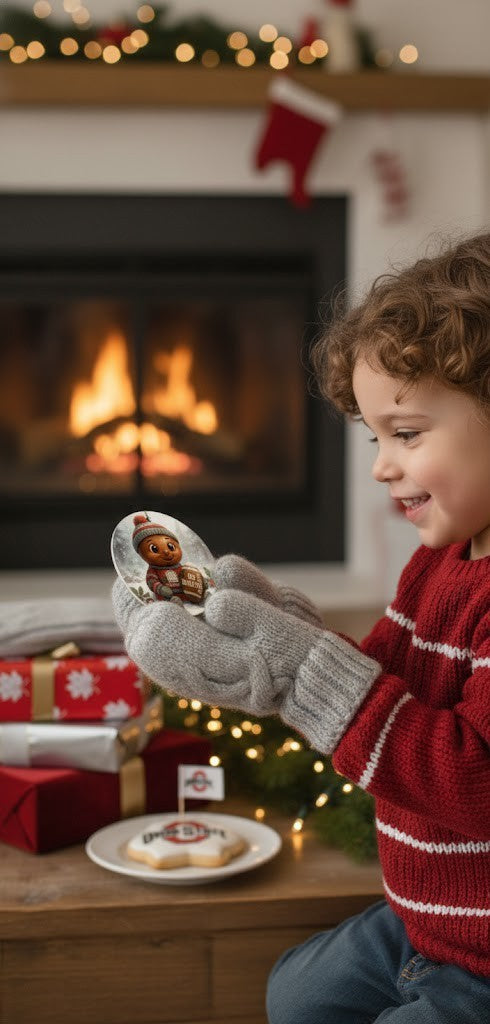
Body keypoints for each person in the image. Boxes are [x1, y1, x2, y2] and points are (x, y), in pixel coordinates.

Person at [113, 232, 490, 1022]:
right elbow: (384, 681)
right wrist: (274, 632)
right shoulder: (439, 561)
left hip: (483, 959)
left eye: (407, 434)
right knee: (295, 994)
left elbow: (474, 777)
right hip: (426, 922)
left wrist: (302, 671)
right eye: (376, 437)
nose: (382, 466)